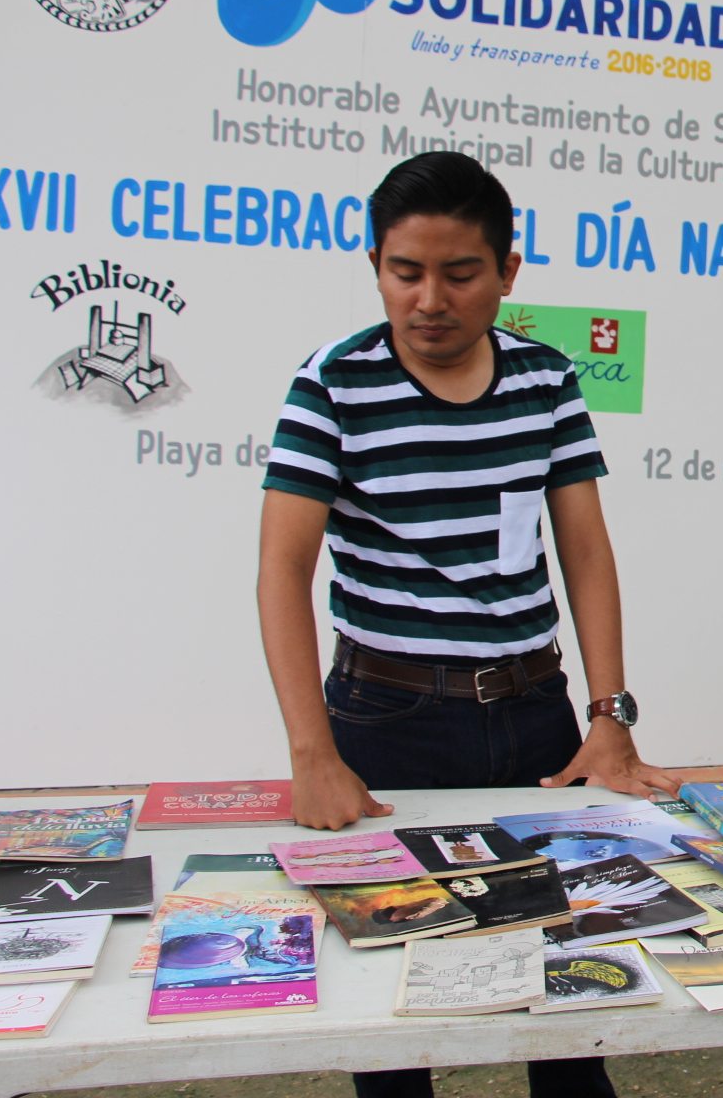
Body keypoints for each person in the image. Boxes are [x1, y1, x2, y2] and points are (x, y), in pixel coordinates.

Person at [256, 151, 671, 1098]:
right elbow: (282, 570)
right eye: (406, 272)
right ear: (376, 267)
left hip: (535, 718)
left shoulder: (546, 380)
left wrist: (610, 718)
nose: (430, 299)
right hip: (385, 721)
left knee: (571, 1005)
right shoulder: (334, 384)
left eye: (459, 273)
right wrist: (311, 752)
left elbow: (587, 554)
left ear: (508, 274)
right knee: (395, 1023)